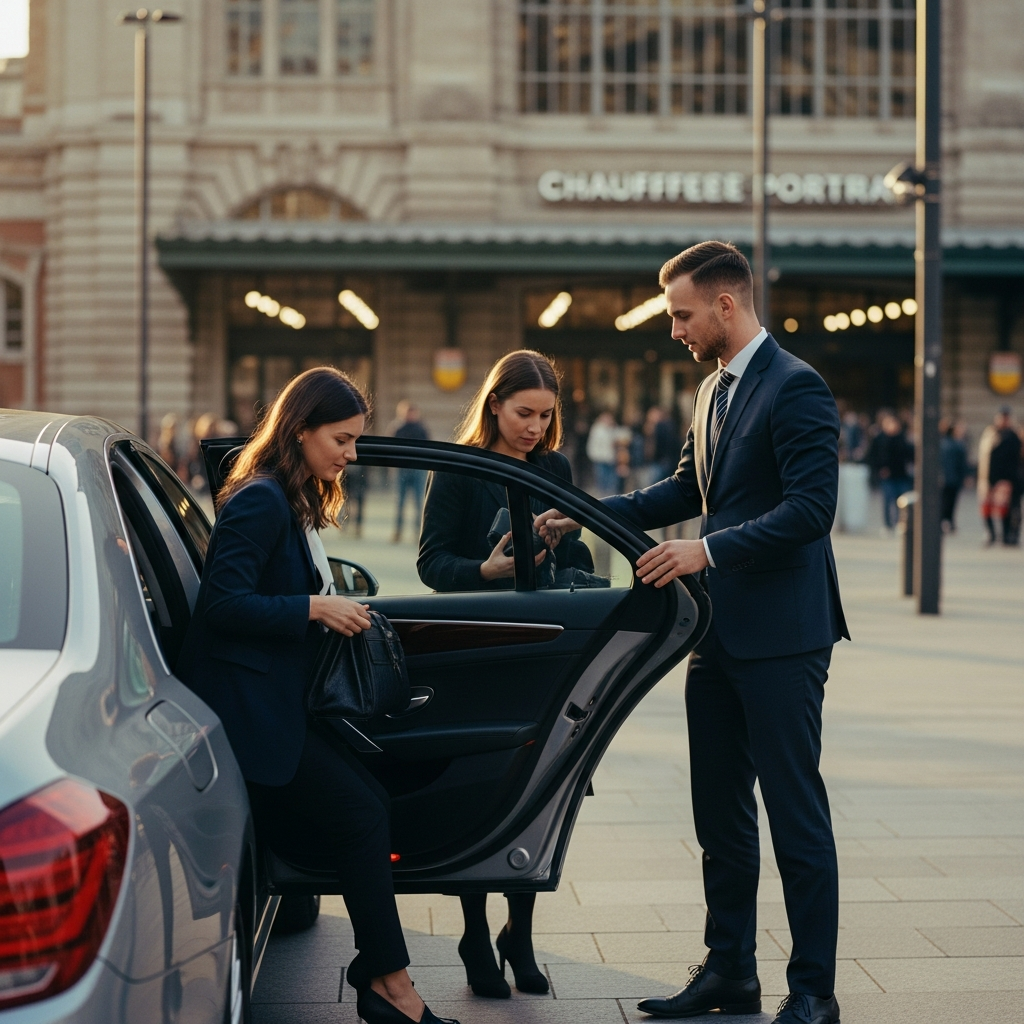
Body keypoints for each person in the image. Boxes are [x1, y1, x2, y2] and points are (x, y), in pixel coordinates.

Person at [538, 241, 849, 1024]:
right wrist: (582, 515)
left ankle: (814, 992)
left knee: (795, 814)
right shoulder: (712, 389)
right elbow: (685, 488)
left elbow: (812, 511)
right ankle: (730, 971)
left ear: (725, 304)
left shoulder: (797, 386)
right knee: (719, 814)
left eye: (681, 315)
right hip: (717, 634)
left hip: (784, 637)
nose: (673, 329)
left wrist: (703, 551)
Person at [176, 368, 458, 1024]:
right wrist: (314, 607)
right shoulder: (261, 499)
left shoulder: (290, 497)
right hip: (248, 714)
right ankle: (389, 984)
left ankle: (384, 978)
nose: (351, 455)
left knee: (369, 805)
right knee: (360, 813)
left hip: (282, 704)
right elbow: (223, 605)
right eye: (342, 439)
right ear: (300, 430)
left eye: (355, 440)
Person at [417, 350, 593, 998]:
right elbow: (432, 564)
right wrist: (485, 571)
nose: (535, 428)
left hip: (545, 647)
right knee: (481, 791)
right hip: (482, 647)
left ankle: (519, 933)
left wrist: (563, 544)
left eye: (545, 416)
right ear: (494, 404)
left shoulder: (554, 466)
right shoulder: (459, 468)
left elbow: (579, 548)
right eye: (524, 413)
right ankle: (473, 933)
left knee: (539, 789)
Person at [977, 406, 1022, 546]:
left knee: (1006, 510)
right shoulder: (990, 433)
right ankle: (992, 533)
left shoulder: (1012, 435)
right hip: (987, 478)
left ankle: (1007, 535)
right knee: (987, 508)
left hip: (1006, 478)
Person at [867, 410, 913, 532]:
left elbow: (908, 453)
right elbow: (873, 456)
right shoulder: (879, 439)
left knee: (901, 500)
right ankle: (888, 524)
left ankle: (899, 522)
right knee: (888, 500)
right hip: (887, 475)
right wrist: (880, 469)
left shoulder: (902, 438)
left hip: (901, 474)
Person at [392, 401, 430, 543]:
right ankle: (398, 531)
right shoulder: (399, 428)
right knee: (400, 502)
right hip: (403, 469)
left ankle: (418, 532)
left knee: (418, 503)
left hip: (417, 469)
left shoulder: (421, 429)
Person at [587, 411, 628, 495]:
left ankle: (610, 495)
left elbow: (623, 437)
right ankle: (602, 495)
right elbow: (593, 445)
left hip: (611, 458)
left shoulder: (614, 429)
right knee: (601, 479)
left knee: (611, 480)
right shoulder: (597, 429)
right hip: (600, 458)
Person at [939, 419, 968, 533]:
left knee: (944, 502)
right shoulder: (958, 445)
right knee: (950, 503)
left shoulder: (942, 443)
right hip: (954, 478)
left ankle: (944, 522)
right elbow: (962, 464)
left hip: (945, 478)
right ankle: (949, 522)